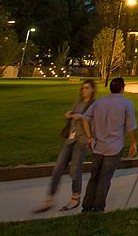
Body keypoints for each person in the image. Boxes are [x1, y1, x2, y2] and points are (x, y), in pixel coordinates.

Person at [34, 79, 96, 213]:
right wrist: (69, 114)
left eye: (87, 88)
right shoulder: (78, 102)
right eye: (83, 88)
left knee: (75, 169)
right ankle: (50, 198)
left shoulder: (94, 105)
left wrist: (82, 117)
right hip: (71, 138)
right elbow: (72, 113)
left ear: (92, 90)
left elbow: (93, 120)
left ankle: (75, 197)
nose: (84, 90)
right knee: (58, 167)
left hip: (82, 139)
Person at [79, 77, 137, 213]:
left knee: (94, 177)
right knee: (105, 178)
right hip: (114, 147)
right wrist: (133, 143)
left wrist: (89, 137)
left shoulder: (99, 102)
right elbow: (131, 126)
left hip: (97, 146)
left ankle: (87, 206)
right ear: (123, 87)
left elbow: (84, 118)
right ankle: (99, 207)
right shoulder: (126, 104)